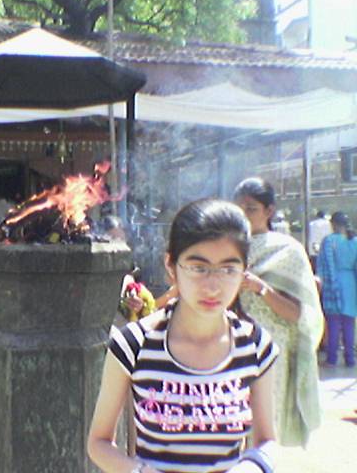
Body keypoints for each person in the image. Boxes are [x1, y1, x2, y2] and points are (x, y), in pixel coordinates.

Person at [88, 199, 279, 473]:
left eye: (228, 269)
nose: (213, 286)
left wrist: (250, 468)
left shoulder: (256, 346)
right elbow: (99, 442)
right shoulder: (134, 344)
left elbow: (267, 440)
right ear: (171, 266)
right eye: (198, 268)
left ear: (244, 271)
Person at [234, 177, 324, 447]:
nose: (244, 216)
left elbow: (299, 314)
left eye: (250, 209)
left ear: (269, 211)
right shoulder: (228, 247)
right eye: (239, 209)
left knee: (262, 429)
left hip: (271, 350)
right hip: (230, 346)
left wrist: (261, 288)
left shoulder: (288, 251)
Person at [316, 211, 357, 367]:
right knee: (349, 323)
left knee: (333, 323)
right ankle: (350, 359)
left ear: (333, 224)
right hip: (351, 284)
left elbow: (322, 265)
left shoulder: (328, 241)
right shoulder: (354, 242)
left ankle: (332, 359)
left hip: (334, 283)